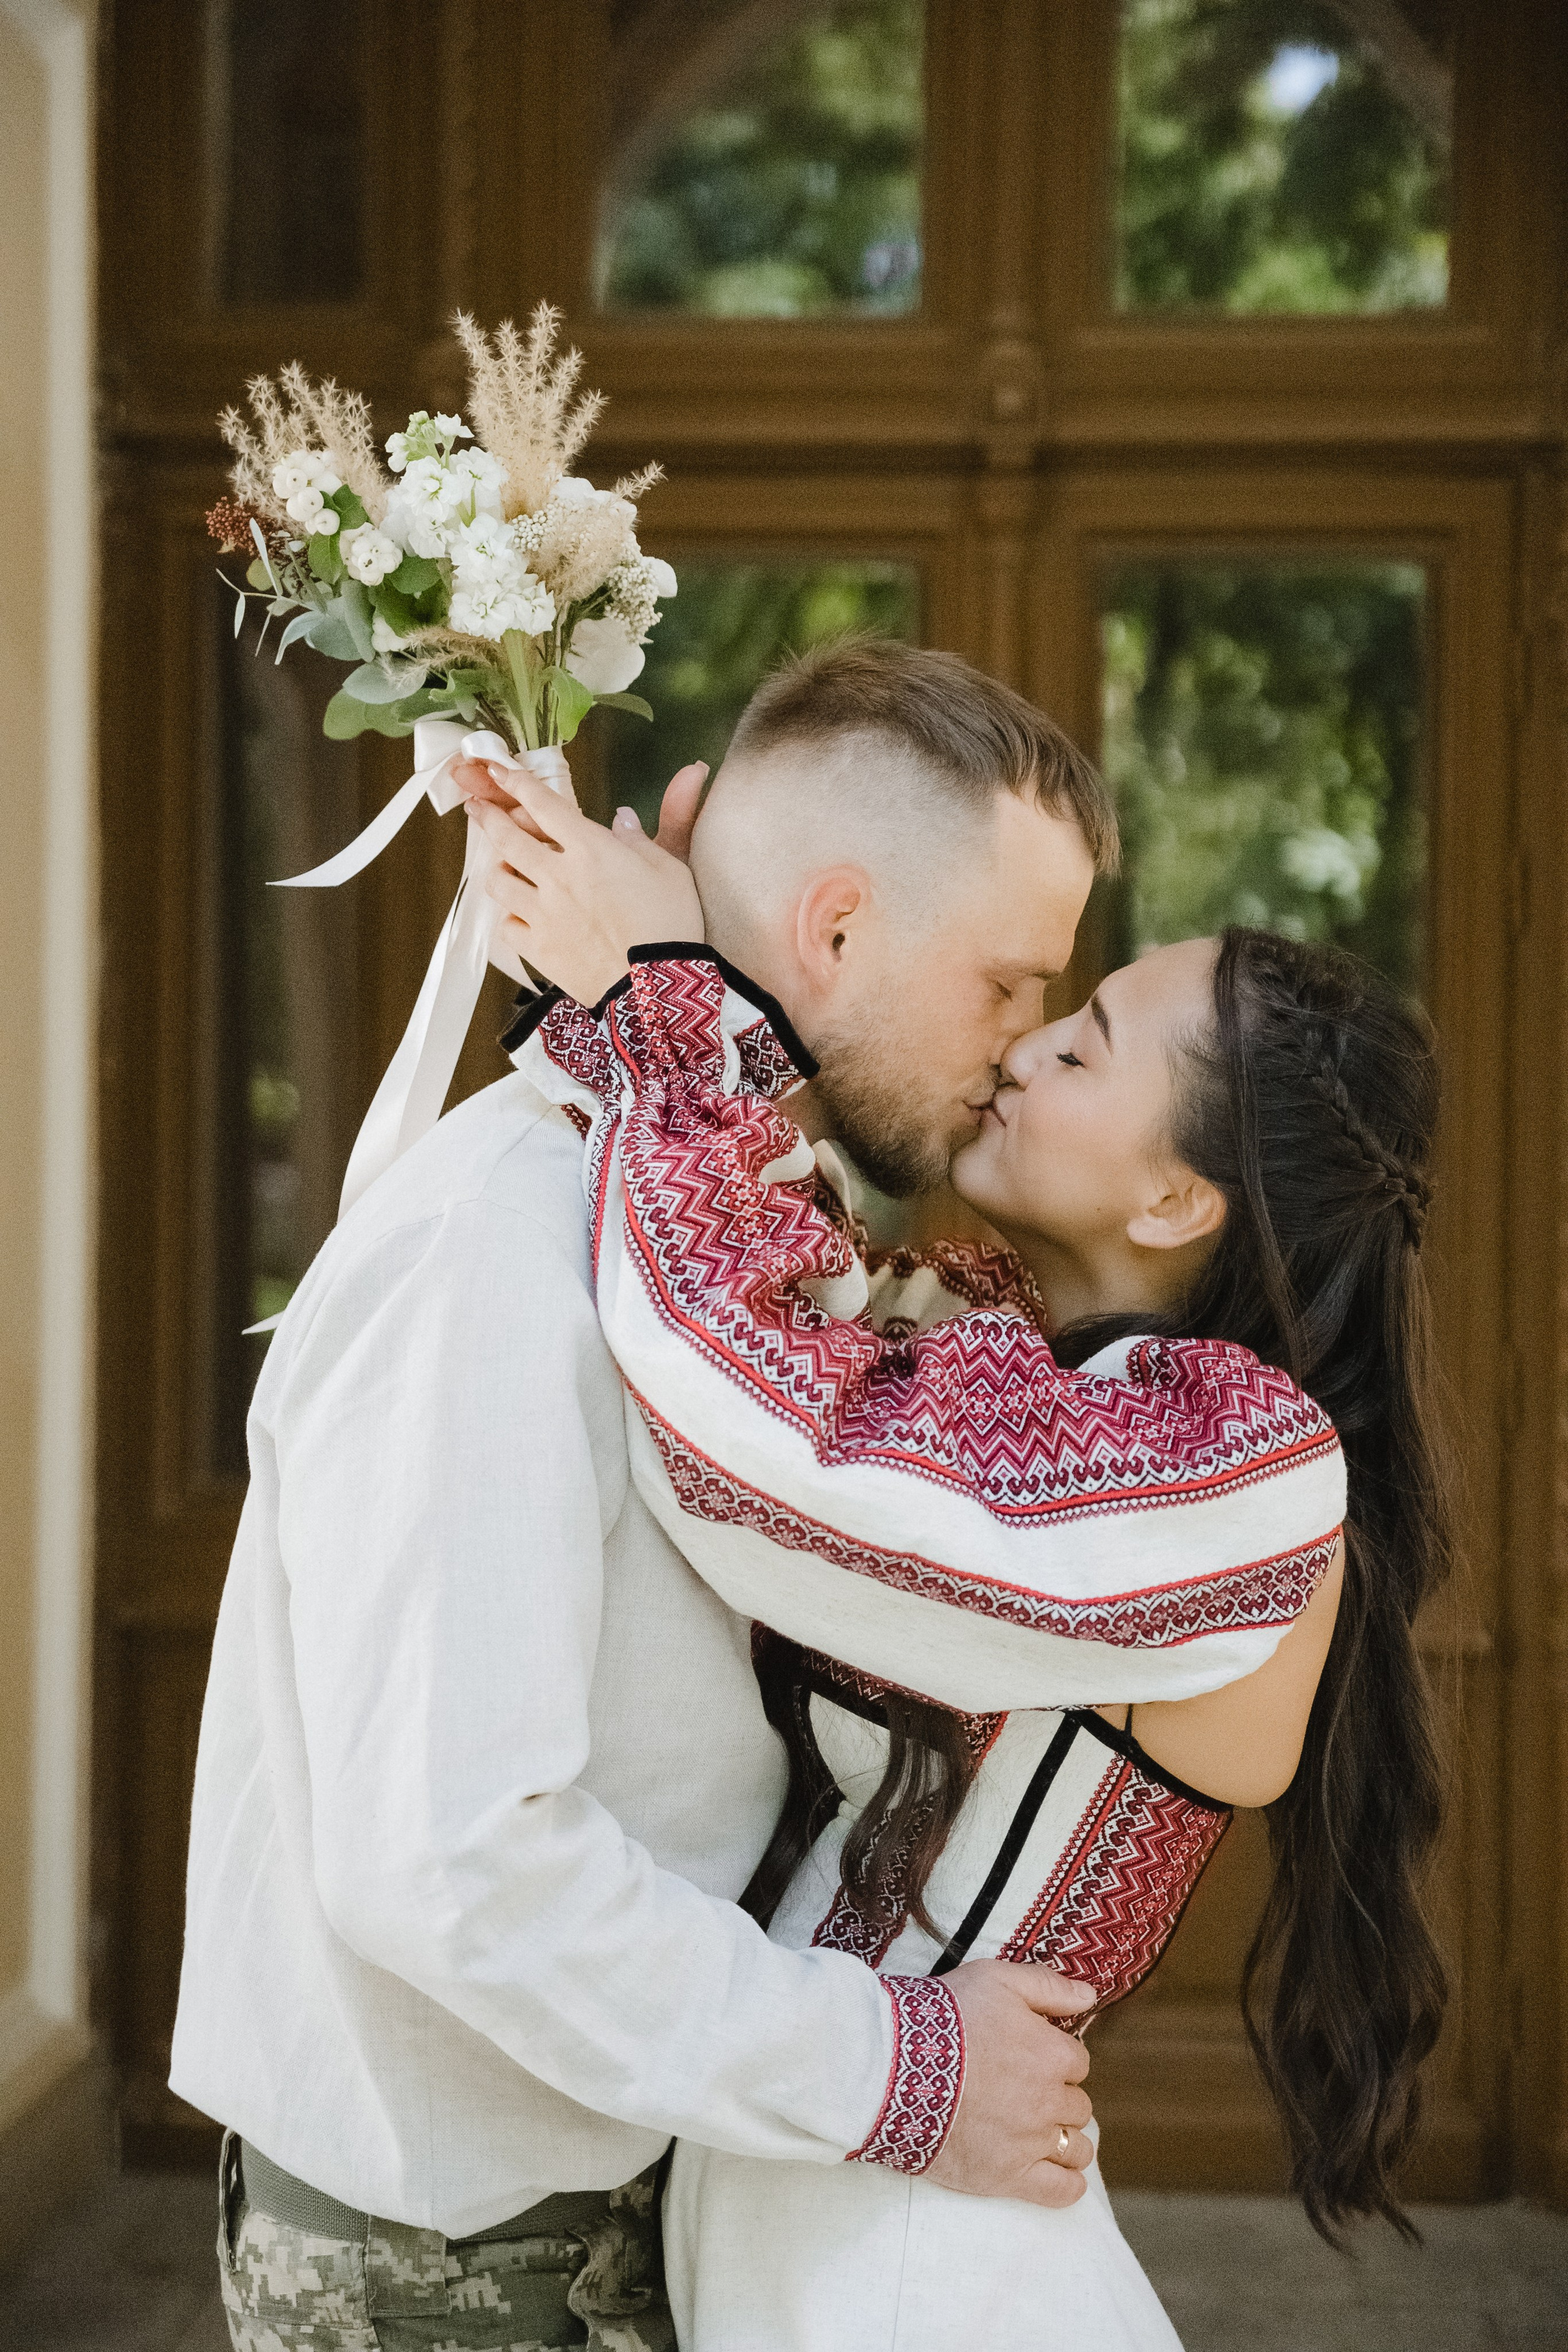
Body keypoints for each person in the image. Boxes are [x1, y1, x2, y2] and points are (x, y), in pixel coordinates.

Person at [174, 639, 1220, 2352]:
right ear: (834, 931)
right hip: (463, 2265)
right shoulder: (497, 1254)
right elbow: (451, 1860)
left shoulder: (704, 1238)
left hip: (624, 2189)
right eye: (1011, 985)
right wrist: (897, 2065)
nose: (1021, 1051)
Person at [469, 717, 1450, 2349]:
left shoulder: (1248, 1469)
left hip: (935, 2269)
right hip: (819, 2203)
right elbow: (752, 1253)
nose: (1024, 1047)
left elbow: (792, 1450)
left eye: (1084, 1048)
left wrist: (663, 993)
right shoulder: (996, 1340)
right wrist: (669, 944)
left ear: (1173, 1202)